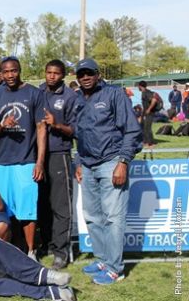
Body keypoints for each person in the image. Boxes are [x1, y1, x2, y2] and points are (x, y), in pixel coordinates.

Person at [74, 58, 142, 285]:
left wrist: (123, 162)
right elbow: (79, 135)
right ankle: (103, 260)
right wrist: (79, 163)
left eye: (89, 73)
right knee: (93, 217)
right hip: (88, 165)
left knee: (113, 218)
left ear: (97, 74)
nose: (85, 77)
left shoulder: (114, 94)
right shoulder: (77, 99)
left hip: (111, 162)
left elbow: (132, 131)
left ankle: (115, 269)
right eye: (81, 74)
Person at [0, 56, 46, 261]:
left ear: (19, 70)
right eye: (6, 72)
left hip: (26, 161)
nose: (10, 75)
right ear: (1, 74)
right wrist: (3, 124)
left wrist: (39, 162)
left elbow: (41, 128)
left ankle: (31, 252)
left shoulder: (33, 93)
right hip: (3, 163)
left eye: (13, 71)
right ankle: (7, 253)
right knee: (3, 211)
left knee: (28, 210)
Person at [38, 60, 78, 269]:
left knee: (61, 205)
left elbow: (75, 130)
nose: (51, 76)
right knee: (42, 204)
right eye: (48, 72)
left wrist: (56, 125)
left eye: (56, 73)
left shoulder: (70, 97)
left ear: (62, 75)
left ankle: (61, 252)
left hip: (59, 154)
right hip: (38, 156)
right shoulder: (38, 92)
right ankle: (46, 244)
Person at [137, 80, 157, 148]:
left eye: (138, 86)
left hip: (149, 113)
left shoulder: (147, 92)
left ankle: (151, 143)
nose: (138, 87)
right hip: (145, 113)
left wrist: (149, 109)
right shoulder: (143, 92)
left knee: (147, 127)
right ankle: (145, 142)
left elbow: (154, 100)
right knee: (142, 127)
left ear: (140, 86)